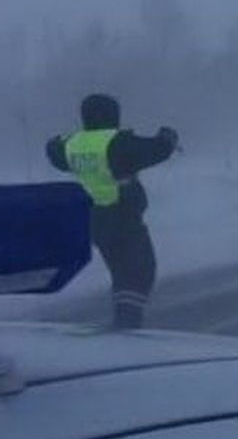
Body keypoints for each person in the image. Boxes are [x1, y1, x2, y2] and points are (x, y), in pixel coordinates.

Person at [46, 94, 179, 329]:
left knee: (122, 269)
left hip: (93, 220)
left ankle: (123, 315)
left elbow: (53, 151)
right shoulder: (117, 143)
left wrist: (54, 142)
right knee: (139, 269)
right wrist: (167, 137)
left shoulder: (73, 145)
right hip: (122, 217)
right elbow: (155, 150)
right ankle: (127, 322)